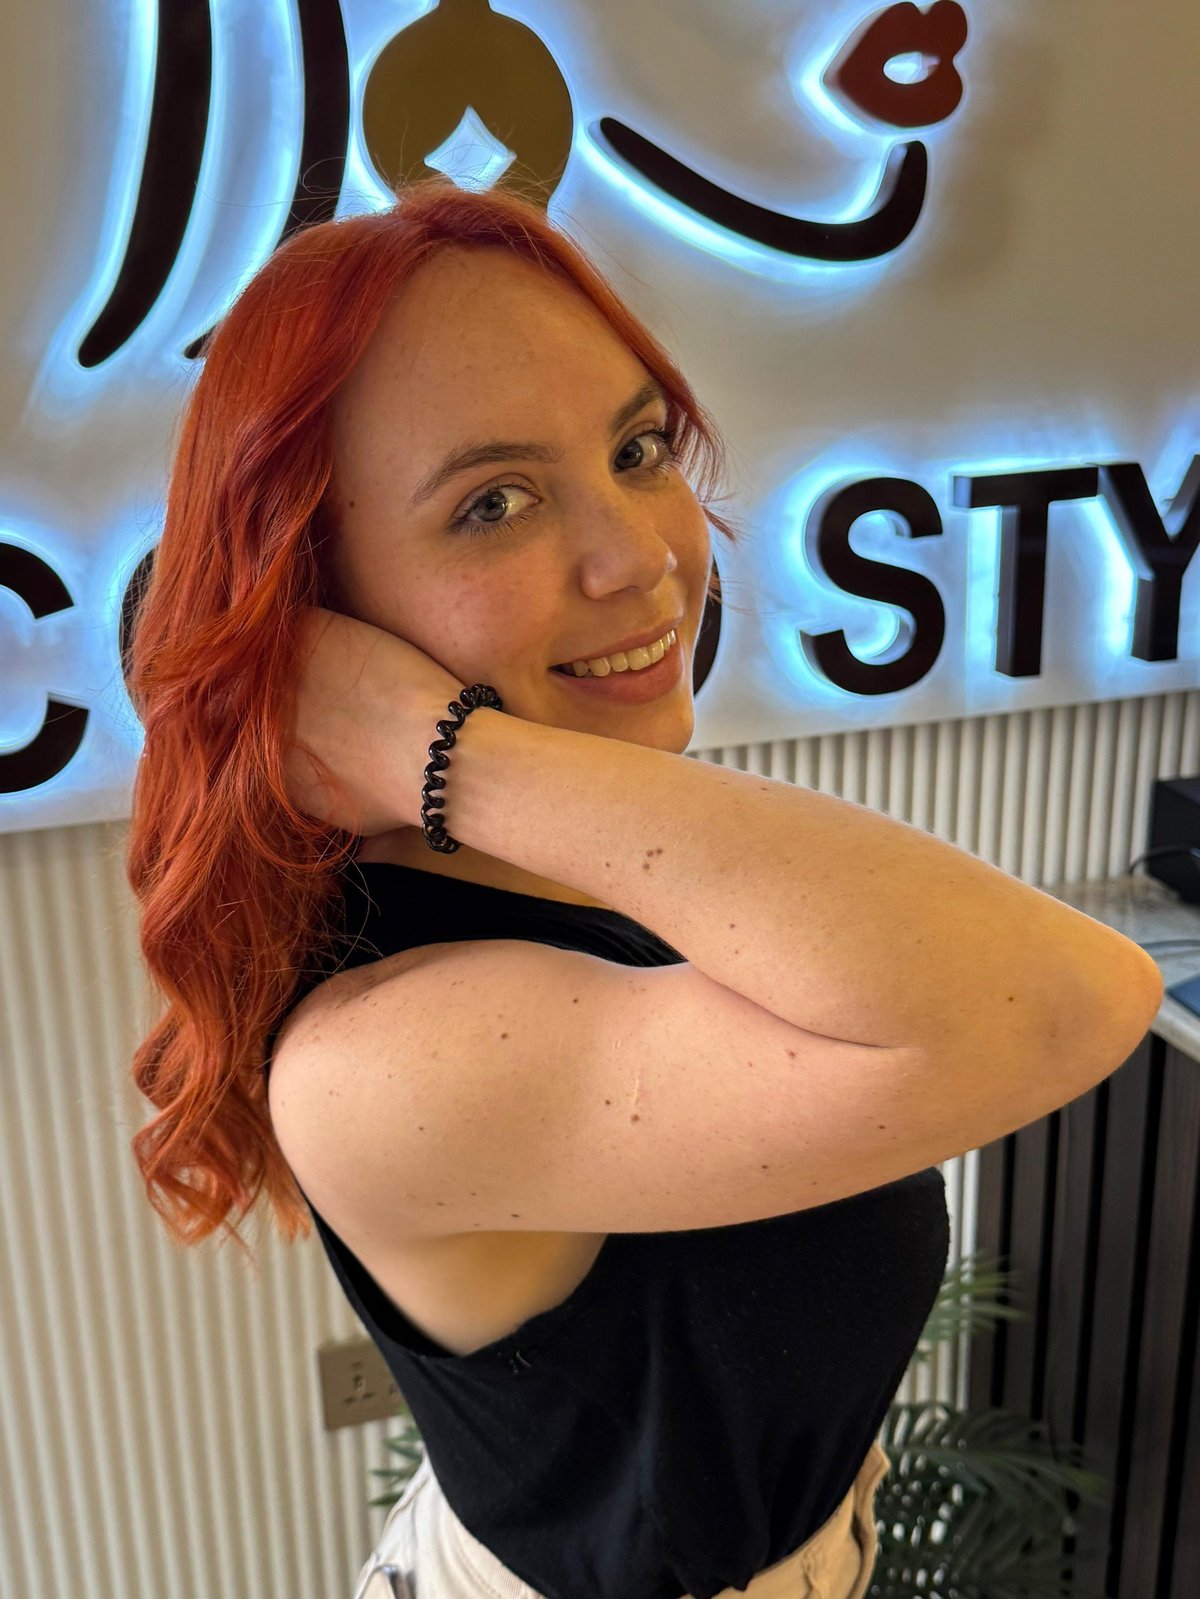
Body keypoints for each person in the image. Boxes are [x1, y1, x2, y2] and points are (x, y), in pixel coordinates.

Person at [124, 176, 1164, 1599]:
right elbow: (1070, 1000)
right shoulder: (378, 1054)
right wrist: (431, 750)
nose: (641, 560)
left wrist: (447, 760)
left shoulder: (548, 849)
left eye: (636, 448)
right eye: (493, 504)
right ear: (320, 608)